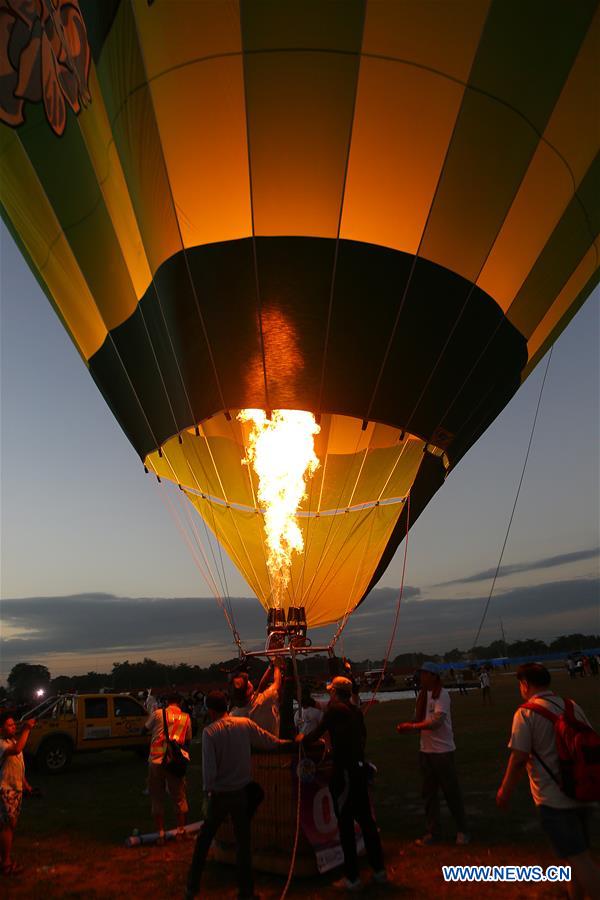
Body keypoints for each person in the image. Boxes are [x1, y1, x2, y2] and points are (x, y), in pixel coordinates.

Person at [496, 663, 600, 900]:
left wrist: (505, 790)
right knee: (576, 857)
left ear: (525, 684)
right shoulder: (571, 705)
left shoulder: (525, 713)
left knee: (580, 860)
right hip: (583, 791)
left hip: (553, 800)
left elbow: (519, 758)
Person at [185, 690, 292, 900]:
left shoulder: (210, 732)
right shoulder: (244, 724)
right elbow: (269, 741)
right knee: (244, 845)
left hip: (220, 795)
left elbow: (209, 770)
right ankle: (246, 892)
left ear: (209, 709)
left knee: (204, 842)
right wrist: (291, 743)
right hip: (241, 794)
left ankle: (192, 888)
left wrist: (208, 795)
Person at [300, 675, 387, 891]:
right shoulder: (355, 711)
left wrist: (303, 740)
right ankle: (379, 871)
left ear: (334, 692)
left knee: (345, 824)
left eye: (330, 690)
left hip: (345, 772)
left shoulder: (335, 710)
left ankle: (352, 877)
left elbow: (316, 733)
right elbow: (362, 737)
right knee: (366, 821)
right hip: (358, 768)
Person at [396, 661, 469, 846]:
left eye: (424, 674)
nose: (420, 677)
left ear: (433, 676)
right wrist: (407, 725)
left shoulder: (442, 695)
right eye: (420, 674)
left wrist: (411, 726)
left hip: (443, 751)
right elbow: (418, 718)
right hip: (426, 751)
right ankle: (434, 832)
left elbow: (437, 722)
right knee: (429, 794)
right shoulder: (422, 695)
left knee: (451, 793)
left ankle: (463, 831)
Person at [144, 691, 192, 845]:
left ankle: (160, 834)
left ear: (166, 702)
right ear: (180, 702)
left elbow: (144, 729)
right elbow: (188, 739)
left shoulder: (158, 714)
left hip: (156, 760)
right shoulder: (186, 717)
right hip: (175, 763)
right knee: (179, 797)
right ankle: (180, 831)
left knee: (157, 797)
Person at [0, 712, 36, 875]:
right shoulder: (1, 744)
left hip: (16, 789)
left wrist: (26, 785)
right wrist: (27, 729)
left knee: (9, 826)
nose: (13, 726)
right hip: (5, 789)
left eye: (14, 724)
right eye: (9, 725)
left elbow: (18, 764)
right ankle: (6, 863)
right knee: (7, 827)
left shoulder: (12, 740)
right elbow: (17, 750)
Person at [230, 660, 283, 736]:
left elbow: (260, 688)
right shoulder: (265, 700)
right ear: (248, 690)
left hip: (250, 747)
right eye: (248, 681)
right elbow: (277, 683)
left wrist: (270, 666)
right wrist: (277, 666)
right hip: (271, 746)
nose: (249, 681)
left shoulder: (234, 714)